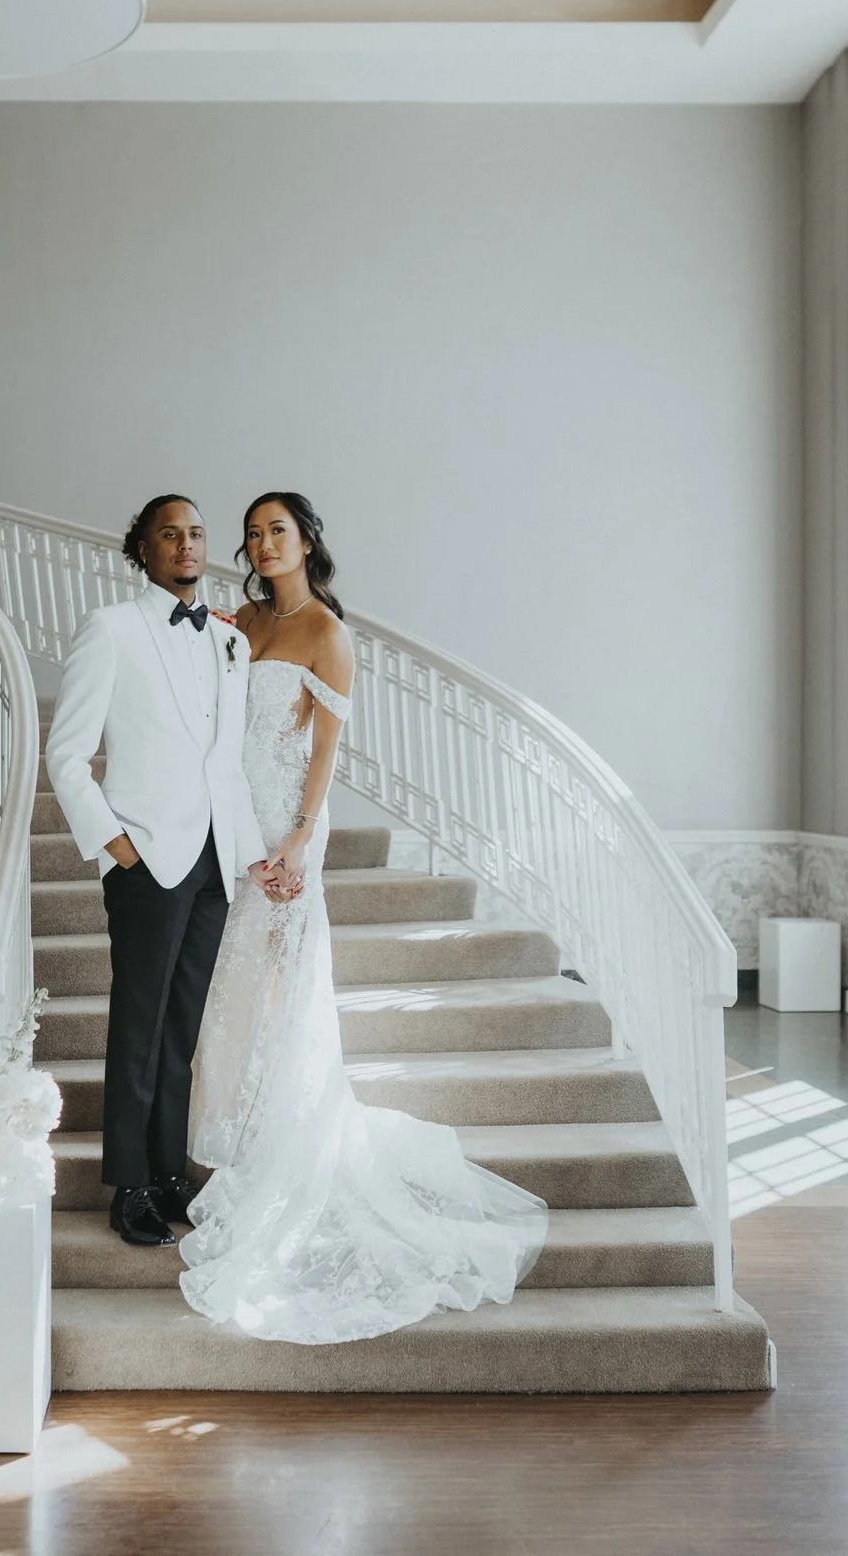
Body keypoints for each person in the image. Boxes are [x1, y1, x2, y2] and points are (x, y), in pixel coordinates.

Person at [179, 492, 547, 1344]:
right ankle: (228, 1150)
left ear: (305, 541)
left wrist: (302, 841)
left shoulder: (328, 636)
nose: (262, 543)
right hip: (229, 828)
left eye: (278, 530)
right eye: (253, 533)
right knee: (226, 999)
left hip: (282, 836)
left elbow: (325, 753)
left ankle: (277, 1158)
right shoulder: (239, 622)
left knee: (276, 999)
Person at [45, 494, 272, 1248]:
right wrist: (118, 847)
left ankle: (171, 1172)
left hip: (213, 857)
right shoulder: (112, 629)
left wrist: (245, 852)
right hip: (146, 857)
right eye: (169, 534)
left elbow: (226, 757)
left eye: (197, 533)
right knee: (140, 1027)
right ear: (140, 548)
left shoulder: (229, 639)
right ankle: (130, 1183)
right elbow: (66, 754)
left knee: (182, 1030)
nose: (187, 545)